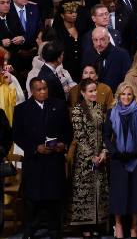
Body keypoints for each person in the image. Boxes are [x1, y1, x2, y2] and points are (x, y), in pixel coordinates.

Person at [13, 78, 72, 239]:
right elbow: (17, 135)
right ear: (32, 91)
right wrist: (34, 148)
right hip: (34, 160)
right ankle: (31, 228)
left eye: (45, 88)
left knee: (54, 196)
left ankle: (54, 229)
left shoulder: (59, 105)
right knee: (32, 197)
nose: (43, 92)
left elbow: (68, 130)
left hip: (54, 159)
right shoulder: (21, 109)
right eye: (39, 89)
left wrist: (63, 144)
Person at [104, 82, 137, 239]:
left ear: (133, 96)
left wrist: (136, 152)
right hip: (118, 159)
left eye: (129, 94)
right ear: (118, 96)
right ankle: (118, 224)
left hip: (135, 159)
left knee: (135, 193)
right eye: (123, 94)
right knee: (119, 193)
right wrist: (115, 152)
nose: (126, 97)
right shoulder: (111, 112)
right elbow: (106, 136)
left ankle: (134, 226)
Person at [66, 79, 109, 236]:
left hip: (100, 157)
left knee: (98, 190)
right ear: (83, 93)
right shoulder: (78, 110)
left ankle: (96, 224)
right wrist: (91, 156)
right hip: (85, 159)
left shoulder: (99, 109)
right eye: (90, 91)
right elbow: (79, 135)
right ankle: (85, 227)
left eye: (95, 90)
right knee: (85, 191)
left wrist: (104, 151)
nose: (93, 93)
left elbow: (106, 133)